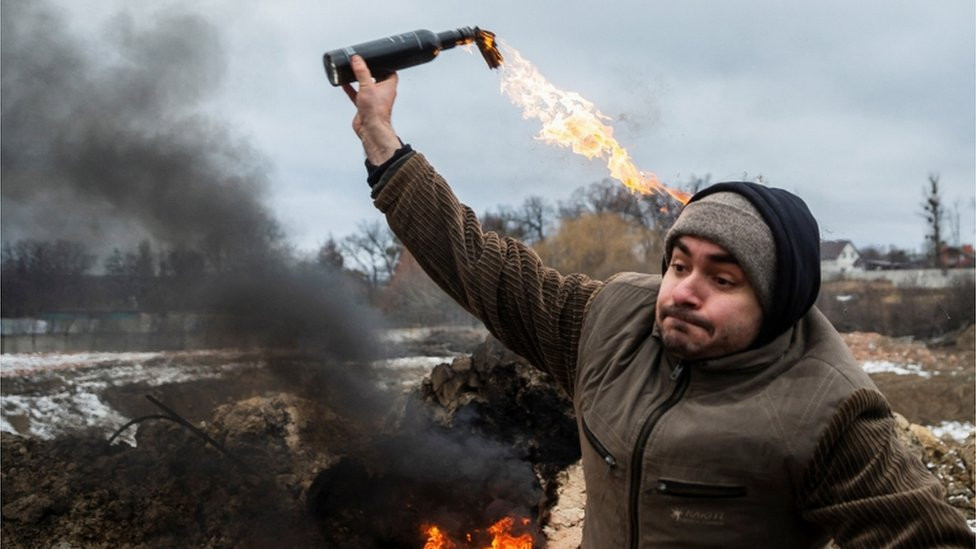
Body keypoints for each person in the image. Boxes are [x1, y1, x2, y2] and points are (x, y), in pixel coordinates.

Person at [339, 55, 974, 547]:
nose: (684, 292)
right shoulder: (615, 322)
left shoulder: (830, 409)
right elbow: (484, 268)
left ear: (778, 301)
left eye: (722, 280)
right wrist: (381, 141)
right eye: (678, 265)